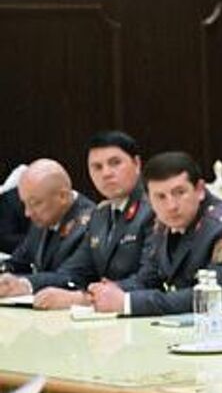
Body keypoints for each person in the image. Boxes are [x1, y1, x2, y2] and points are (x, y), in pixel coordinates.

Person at [85, 151, 222, 316]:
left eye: (179, 192)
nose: (171, 206)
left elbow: (210, 297)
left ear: (199, 190)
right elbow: (148, 278)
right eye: (160, 197)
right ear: (149, 199)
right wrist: (107, 291)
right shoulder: (163, 223)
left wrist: (127, 303)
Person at [31, 131, 154, 308]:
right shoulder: (99, 215)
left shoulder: (154, 209)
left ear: (137, 164)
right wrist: (24, 284)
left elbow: (148, 279)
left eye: (115, 163)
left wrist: (86, 298)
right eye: (97, 167)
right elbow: (74, 272)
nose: (106, 173)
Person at [0, 160, 94, 294]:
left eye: (35, 203)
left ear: (62, 196)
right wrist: (4, 271)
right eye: (25, 204)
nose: (28, 213)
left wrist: (24, 284)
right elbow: (20, 260)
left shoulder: (91, 223)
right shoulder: (45, 216)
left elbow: (72, 277)